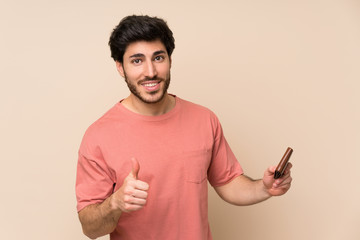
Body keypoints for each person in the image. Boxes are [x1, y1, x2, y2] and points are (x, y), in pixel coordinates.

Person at [75, 15, 293, 240]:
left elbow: (228, 182)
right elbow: (90, 229)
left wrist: (265, 188)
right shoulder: (98, 136)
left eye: (158, 57)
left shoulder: (204, 119)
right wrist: (115, 203)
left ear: (169, 59)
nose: (150, 71)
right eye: (137, 61)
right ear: (121, 67)